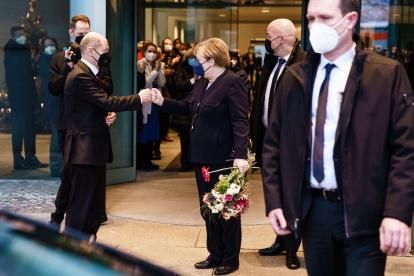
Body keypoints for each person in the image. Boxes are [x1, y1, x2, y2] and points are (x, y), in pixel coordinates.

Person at [262, 0, 414, 275]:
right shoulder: (296, 78)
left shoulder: (385, 75)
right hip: (313, 212)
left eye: (324, 17)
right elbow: (273, 145)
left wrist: (397, 212)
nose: (315, 26)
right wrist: (276, 201)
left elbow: (406, 150)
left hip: (365, 211)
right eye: (310, 19)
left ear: (350, 20)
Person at [152, 38, 249, 275]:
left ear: (213, 59)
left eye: (200, 58)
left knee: (226, 209)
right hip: (202, 156)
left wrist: (241, 154)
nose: (196, 62)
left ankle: (230, 257)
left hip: (223, 158)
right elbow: (187, 107)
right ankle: (215, 253)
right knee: (208, 208)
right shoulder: (203, 82)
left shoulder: (232, 82)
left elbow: (240, 120)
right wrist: (162, 101)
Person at [63, 32, 152, 237]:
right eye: (105, 50)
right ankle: (73, 252)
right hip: (83, 151)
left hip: (93, 149)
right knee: (81, 207)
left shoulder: (92, 72)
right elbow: (106, 101)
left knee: (93, 208)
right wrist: (139, 98)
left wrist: (107, 113)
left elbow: (97, 104)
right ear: (91, 51)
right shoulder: (81, 75)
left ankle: (87, 247)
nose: (108, 54)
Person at [249, 19, 306, 270]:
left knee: (293, 197)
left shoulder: (304, 64)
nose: (266, 39)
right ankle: (281, 241)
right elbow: (260, 97)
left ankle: (292, 249)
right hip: (269, 142)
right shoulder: (271, 61)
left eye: (268, 35)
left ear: (282, 38)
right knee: (276, 197)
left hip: (293, 146)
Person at [48, 14, 115, 225]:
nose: (84, 36)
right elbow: (53, 88)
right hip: (69, 123)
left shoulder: (98, 58)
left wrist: (108, 108)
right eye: (80, 33)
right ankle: (61, 215)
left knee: (96, 171)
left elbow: (107, 87)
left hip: (94, 122)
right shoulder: (61, 58)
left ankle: (96, 213)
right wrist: (69, 68)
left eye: (87, 32)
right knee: (69, 173)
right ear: (71, 33)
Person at [4, 26, 47, 170]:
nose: (23, 37)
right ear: (13, 37)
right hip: (18, 96)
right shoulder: (12, 50)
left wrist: (36, 63)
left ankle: (30, 157)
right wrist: (34, 65)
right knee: (19, 127)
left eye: (24, 34)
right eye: (20, 35)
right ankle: (18, 159)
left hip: (28, 95)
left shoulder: (24, 50)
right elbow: (20, 73)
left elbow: (28, 72)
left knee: (29, 127)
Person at [136, 42, 165, 170]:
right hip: (144, 103)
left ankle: (148, 160)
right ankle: (142, 161)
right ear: (144, 51)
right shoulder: (140, 63)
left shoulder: (157, 65)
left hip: (154, 103)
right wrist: (155, 71)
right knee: (144, 133)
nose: (152, 54)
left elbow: (162, 83)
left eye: (154, 52)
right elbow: (145, 83)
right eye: (150, 51)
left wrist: (160, 70)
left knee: (152, 133)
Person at [36, 36, 61, 176]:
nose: (50, 47)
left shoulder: (59, 58)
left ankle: (59, 167)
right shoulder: (44, 61)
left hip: (58, 102)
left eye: (52, 44)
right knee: (56, 135)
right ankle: (56, 168)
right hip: (52, 102)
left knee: (59, 134)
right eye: (47, 45)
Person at [170, 48, 197, 171]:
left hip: (194, 109)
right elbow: (178, 84)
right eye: (192, 58)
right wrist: (192, 80)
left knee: (193, 139)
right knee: (185, 138)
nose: (195, 60)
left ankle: (192, 160)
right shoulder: (181, 68)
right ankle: (185, 162)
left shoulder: (197, 68)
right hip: (183, 109)